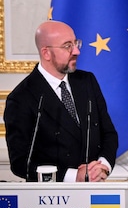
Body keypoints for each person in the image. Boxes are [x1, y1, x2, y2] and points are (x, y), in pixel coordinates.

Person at [4, 20, 118, 182]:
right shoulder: (22, 98)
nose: (77, 51)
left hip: (94, 189)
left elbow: (108, 133)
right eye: (67, 46)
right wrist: (73, 176)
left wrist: (102, 167)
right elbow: (21, 163)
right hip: (50, 199)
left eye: (76, 43)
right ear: (46, 53)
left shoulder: (87, 82)